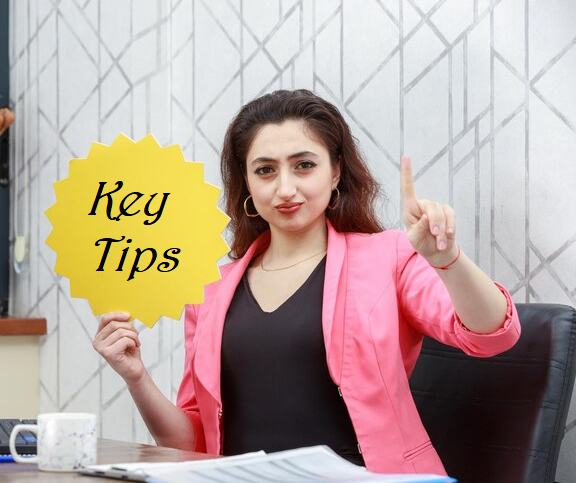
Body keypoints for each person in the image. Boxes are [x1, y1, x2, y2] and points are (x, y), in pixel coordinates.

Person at [93, 89, 520, 474]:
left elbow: (492, 336)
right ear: (246, 183)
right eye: (265, 170)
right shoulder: (209, 288)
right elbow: (190, 443)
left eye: (304, 166)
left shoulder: (387, 256)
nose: (285, 188)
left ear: (335, 173)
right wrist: (136, 377)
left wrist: (448, 262)